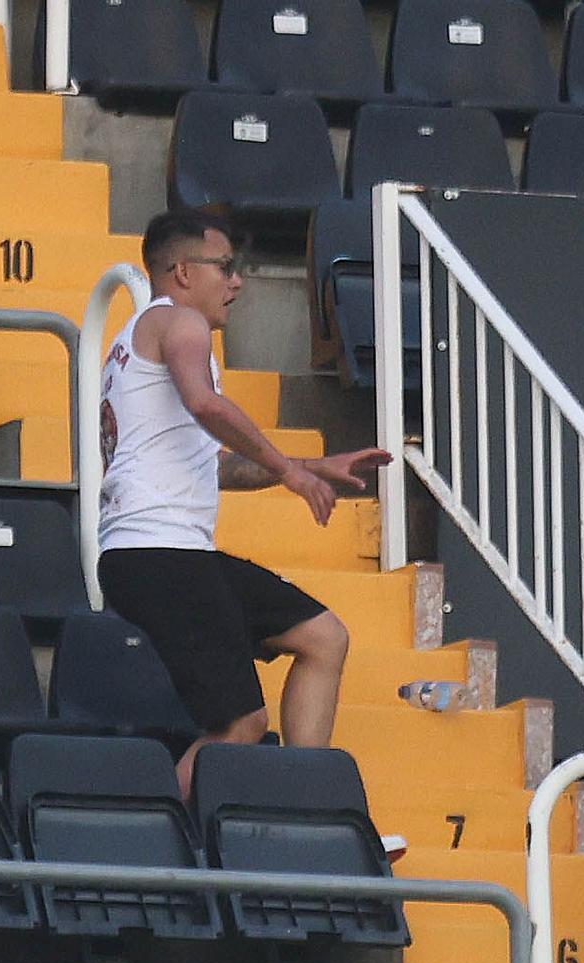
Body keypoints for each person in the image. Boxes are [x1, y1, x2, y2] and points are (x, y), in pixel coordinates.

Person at [97, 209, 390, 797]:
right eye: (226, 267)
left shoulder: (138, 344)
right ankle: (160, 843)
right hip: (160, 556)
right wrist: (288, 471)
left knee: (322, 637)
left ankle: (308, 807)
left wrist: (312, 467)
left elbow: (221, 466)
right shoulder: (178, 324)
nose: (237, 283)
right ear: (181, 271)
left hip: (167, 554)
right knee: (241, 723)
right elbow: (206, 405)